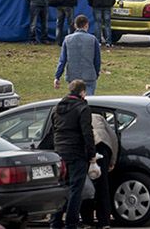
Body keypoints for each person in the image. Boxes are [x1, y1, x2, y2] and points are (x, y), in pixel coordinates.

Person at [49, 80, 97, 229]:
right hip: (76, 153)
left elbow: (53, 131)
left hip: (60, 153)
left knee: (60, 187)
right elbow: (87, 133)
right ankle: (71, 223)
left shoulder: (57, 108)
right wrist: (92, 154)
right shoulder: (82, 108)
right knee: (76, 189)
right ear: (82, 92)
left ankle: (55, 221)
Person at [80, 113, 119, 229]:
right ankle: (104, 221)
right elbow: (113, 138)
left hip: (86, 149)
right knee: (103, 187)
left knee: (86, 186)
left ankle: (87, 220)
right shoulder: (98, 117)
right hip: (103, 147)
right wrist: (113, 160)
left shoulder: (75, 116)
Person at [54, 15, 101, 96]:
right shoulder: (93, 39)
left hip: (73, 76)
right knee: (89, 101)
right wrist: (96, 73)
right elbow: (97, 60)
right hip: (89, 75)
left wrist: (57, 76)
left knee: (74, 100)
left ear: (75, 25)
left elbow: (62, 60)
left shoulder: (67, 39)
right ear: (87, 25)